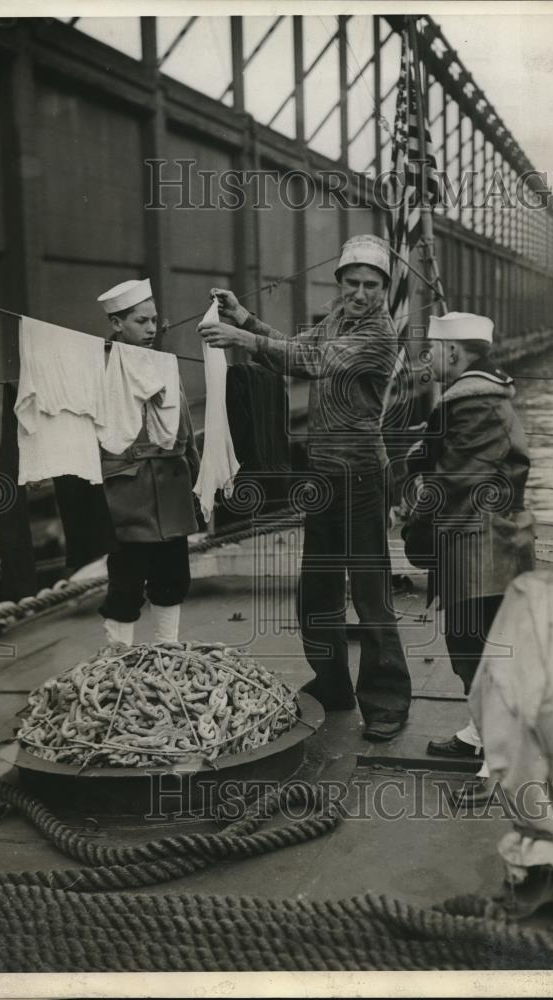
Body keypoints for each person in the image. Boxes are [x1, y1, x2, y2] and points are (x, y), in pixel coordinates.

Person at [198, 234, 411, 741]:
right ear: (339, 282)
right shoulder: (337, 317)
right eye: (353, 282)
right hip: (322, 473)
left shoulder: (380, 334)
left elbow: (312, 363)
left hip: (361, 474)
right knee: (316, 588)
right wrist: (245, 319)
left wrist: (244, 341)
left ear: (385, 289)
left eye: (372, 285)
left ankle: (385, 699)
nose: (361, 293)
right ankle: (332, 685)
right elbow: (300, 349)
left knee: (369, 590)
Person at [401, 311, 536, 763]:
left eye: (433, 350)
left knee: (474, 645)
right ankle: (485, 731)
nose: (428, 357)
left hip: (479, 544)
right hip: (490, 541)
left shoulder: (472, 404)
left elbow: (458, 481)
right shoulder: (482, 398)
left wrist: (415, 526)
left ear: (454, 352)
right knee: (477, 643)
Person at [95, 278, 201, 646]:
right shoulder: (101, 367)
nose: (152, 328)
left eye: (155, 320)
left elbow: (183, 421)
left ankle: (167, 653)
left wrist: (198, 482)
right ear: (117, 324)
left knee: (172, 578)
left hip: (171, 489)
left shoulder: (164, 365)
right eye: (142, 321)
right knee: (125, 582)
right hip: (127, 494)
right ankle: (116, 663)